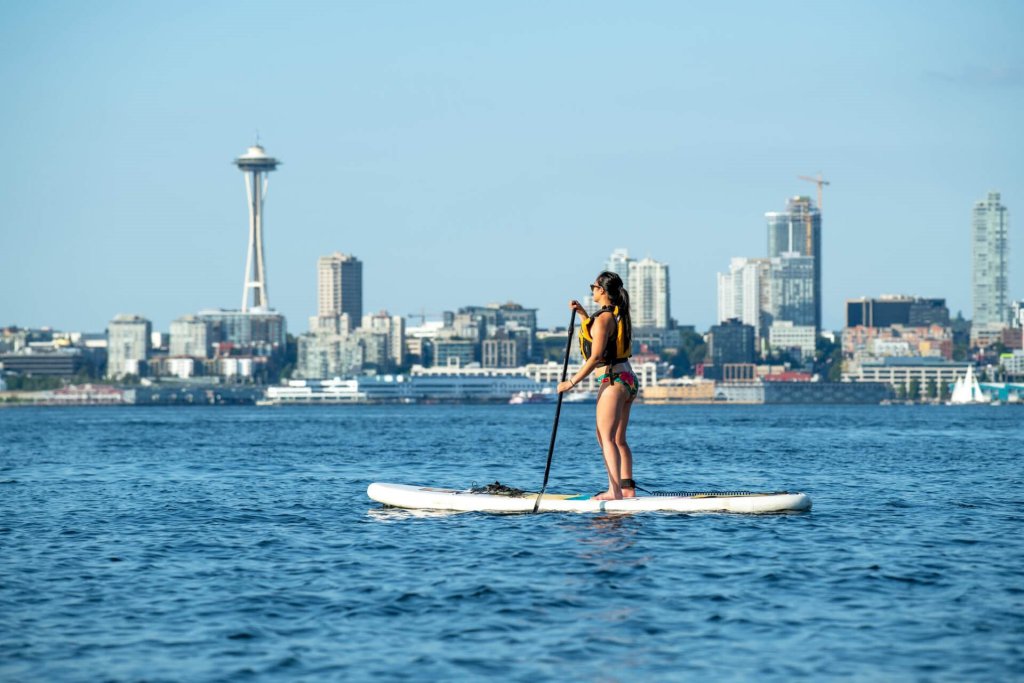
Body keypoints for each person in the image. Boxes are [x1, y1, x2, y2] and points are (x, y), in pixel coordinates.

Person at [557, 271, 639, 500]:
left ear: (602, 290)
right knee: (618, 438)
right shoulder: (615, 314)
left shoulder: (604, 319)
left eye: (593, 286)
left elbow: (594, 358)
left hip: (614, 382)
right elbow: (599, 335)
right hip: (629, 379)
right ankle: (627, 488)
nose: (592, 290)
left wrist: (570, 383)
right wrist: (584, 315)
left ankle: (614, 492)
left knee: (605, 437)